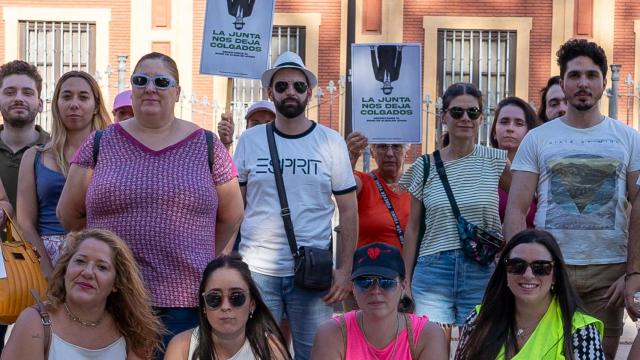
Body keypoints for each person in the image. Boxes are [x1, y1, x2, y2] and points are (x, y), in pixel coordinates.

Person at [57, 52, 244, 350]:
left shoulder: (207, 145)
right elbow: (70, 214)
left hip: (184, 301)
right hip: (112, 296)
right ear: (132, 88)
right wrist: (108, 246)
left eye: (161, 81)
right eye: (141, 80)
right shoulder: (100, 143)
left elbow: (231, 215)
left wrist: (197, 253)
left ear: (178, 91)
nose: (150, 88)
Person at [504, 39, 640, 359]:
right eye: (574, 75)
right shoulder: (538, 139)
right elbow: (516, 209)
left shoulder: (629, 139)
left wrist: (634, 273)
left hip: (607, 275)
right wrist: (518, 265)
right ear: (562, 82)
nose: (583, 83)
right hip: (547, 268)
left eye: (592, 75)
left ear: (604, 83)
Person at [233, 51, 358, 360]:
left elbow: (349, 210)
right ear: (270, 93)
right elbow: (236, 207)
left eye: (298, 86)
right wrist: (227, 259)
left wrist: (344, 270)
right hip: (257, 269)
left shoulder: (330, 142)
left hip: (313, 274)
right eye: (283, 85)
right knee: (259, 354)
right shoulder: (250, 141)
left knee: (316, 354)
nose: (291, 91)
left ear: (309, 93)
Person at [399, 82, 509, 354]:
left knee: (479, 351)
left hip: (481, 270)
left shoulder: (495, 161)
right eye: (457, 112)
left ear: (482, 118)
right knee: (430, 351)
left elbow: (524, 201)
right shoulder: (424, 166)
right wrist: (405, 281)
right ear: (444, 116)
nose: (465, 119)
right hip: (433, 269)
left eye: (473, 113)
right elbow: (412, 229)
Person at [1, 229, 164, 359]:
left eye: (102, 267)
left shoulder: (130, 330)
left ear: (116, 284)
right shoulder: (35, 322)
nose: (88, 272)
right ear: (65, 270)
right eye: (80, 261)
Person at [454, 230, 604, 359]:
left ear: (555, 276)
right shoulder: (479, 319)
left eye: (541, 267)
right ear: (505, 271)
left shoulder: (581, 331)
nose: (528, 275)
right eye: (517, 265)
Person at [17, 71, 111, 277]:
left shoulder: (113, 156)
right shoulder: (33, 156)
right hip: (44, 257)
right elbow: (25, 222)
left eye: (83, 97)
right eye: (67, 96)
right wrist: (46, 270)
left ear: (96, 106)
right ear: (56, 104)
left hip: (98, 257)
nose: (74, 104)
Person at [311, 243, 447, 359]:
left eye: (386, 282)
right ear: (353, 288)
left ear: (403, 286)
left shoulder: (428, 335)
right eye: (365, 282)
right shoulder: (331, 334)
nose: (375, 290)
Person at [0, 59, 49, 354]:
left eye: (27, 92)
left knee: (40, 346)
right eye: (10, 91)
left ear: (40, 103)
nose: (19, 98)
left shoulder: (54, 151)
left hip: (41, 263)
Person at [165, 254, 291, 359]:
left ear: (252, 304)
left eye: (236, 297)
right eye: (214, 298)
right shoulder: (182, 347)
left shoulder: (271, 350)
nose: (225, 306)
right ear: (203, 306)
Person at [347, 132, 410, 249]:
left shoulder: (416, 186)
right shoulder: (362, 182)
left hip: (408, 266)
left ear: (406, 152)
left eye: (396, 147)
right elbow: (343, 188)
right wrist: (351, 157)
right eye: (382, 146)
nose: (390, 154)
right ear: (372, 152)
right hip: (370, 265)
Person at [489, 96, 539, 227]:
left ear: (530, 132)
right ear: (494, 131)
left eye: (519, 123)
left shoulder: (540, 174)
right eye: (504, 122)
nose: (510, 128)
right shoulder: (481, 172)